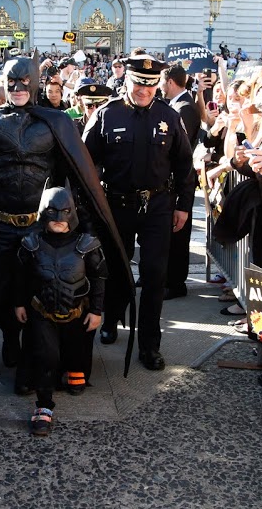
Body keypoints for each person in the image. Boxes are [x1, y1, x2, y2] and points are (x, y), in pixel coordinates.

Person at [0, 56, 132, 388]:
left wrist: (85, 224)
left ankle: (32, 359)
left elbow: (74, 177)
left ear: (35, 84)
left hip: (41, 227)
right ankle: (11, 334)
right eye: (12, 82)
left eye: (25, 82)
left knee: (41, 291)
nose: (18, 89)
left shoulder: (56, 123)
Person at [83, 54, 196, 371]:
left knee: (154, 275)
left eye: (150, 85)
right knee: (117, 270)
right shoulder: (106, 114)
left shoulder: (169, 117)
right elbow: (85, 164)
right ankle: (111, 320)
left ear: (156, 84)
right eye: (138, 84)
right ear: (127, 81)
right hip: (116, 205)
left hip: (157, 206)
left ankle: (149, 344)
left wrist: (184, 206)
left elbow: (185, 166)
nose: (144, 90)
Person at [15, 186, 106, 436]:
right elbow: (21, 277)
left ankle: (75, 372)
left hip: (76, 313)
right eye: (53, 213)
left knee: (75, 352)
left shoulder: (87, 245)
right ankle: (44, 406)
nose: (58, 220)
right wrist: (19, 303)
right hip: (41, 312)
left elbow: (98, 278)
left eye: (64, 213)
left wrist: (96, 310)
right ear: (43, 214)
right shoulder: (31, 244)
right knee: (46, 356)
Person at [159, 63, 201, 300]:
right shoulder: (178, 105)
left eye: (162, 83)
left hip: (179, 180)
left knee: (178, 233)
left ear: (171, 82)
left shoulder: (184, 108)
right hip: (172, 180)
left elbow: (180, 151)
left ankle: (176, 282)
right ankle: (167, 278)